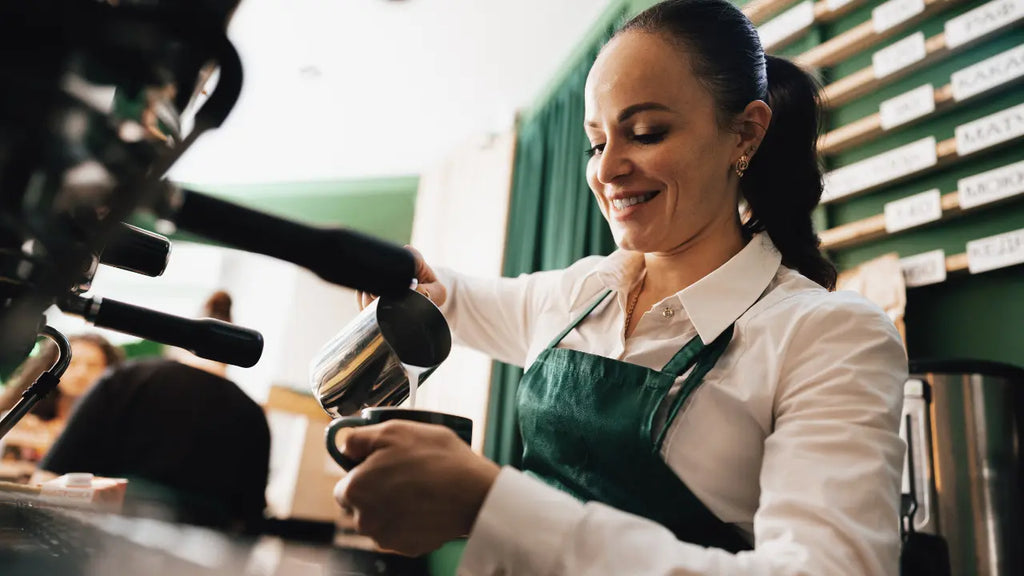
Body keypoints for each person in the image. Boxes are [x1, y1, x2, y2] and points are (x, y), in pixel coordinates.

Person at [333, 0, 908, 573]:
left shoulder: (828, 337)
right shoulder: (585, 292)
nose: (607, 171)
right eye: (596, 142)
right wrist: (406, 278)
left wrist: (493, 505)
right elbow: (454, 299)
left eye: (646, 132)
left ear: (745, 134)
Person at [36, 291, 271, 533]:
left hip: (100, 547)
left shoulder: (125, 379)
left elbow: (48, 481)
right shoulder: (251, 414)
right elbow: (249, 520)